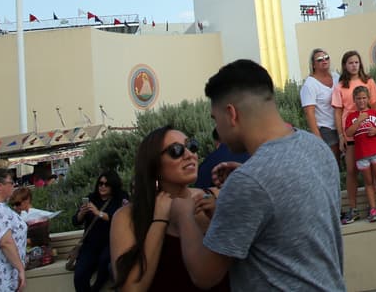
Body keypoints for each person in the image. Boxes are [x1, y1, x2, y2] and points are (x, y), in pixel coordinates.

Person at [170, 59, 345, 291]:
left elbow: (204, 274)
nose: (217, 129)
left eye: (215, 119)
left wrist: (184, 217)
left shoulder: (250, 182)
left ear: (231, 114)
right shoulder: (316, 148)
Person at [109, 125, 230, 292]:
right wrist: (159, 221)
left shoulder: (215, 198)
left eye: (191, 146)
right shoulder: (127, 217)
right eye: (176, 150)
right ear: (154, 165)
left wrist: (220, 217)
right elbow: (130, 289)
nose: (189, 155)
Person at [330, 50, 376, 224]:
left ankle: (374, 206)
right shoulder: (340, 87)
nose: (354, 65)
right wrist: (341, 135)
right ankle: (353, 209)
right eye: (350, 62)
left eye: (356, 62)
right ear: (345, 65)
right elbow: (338, 112)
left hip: (368, 133)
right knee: (351, 171)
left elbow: (375, 106)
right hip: (351, 132)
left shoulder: (369, 82)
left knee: (373, 172)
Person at [71, 170, 126, 292]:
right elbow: (75, 221)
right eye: (100, 183)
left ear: (113, 185)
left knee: (104, 263)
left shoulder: (120, 198)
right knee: (80, 275)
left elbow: (117, 219)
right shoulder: (92, 198)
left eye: (106, 184)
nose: (102, 186)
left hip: (110, 243)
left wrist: (98, 213)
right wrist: (81, 213)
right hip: (91, 244)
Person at [343, 86, 376, 221]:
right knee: (368, 182)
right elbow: (348, 133)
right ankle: (373, 209)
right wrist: (359, 120)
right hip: (361, 153)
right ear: (354, 100)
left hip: (375, 150)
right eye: (358, 98)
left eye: (364, 98)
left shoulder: (374, 114)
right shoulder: (351, 116)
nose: (361, 101)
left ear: (368, 99)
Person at [300, 48, 341, 167]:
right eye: (319, 59)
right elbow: (309, 113)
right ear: (313, 64)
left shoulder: (336, 77)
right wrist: (318, 139)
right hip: (325, 129)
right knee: (332, 164)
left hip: (341, 126)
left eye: (326, 57)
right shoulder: (310, 85)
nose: (324, 60)